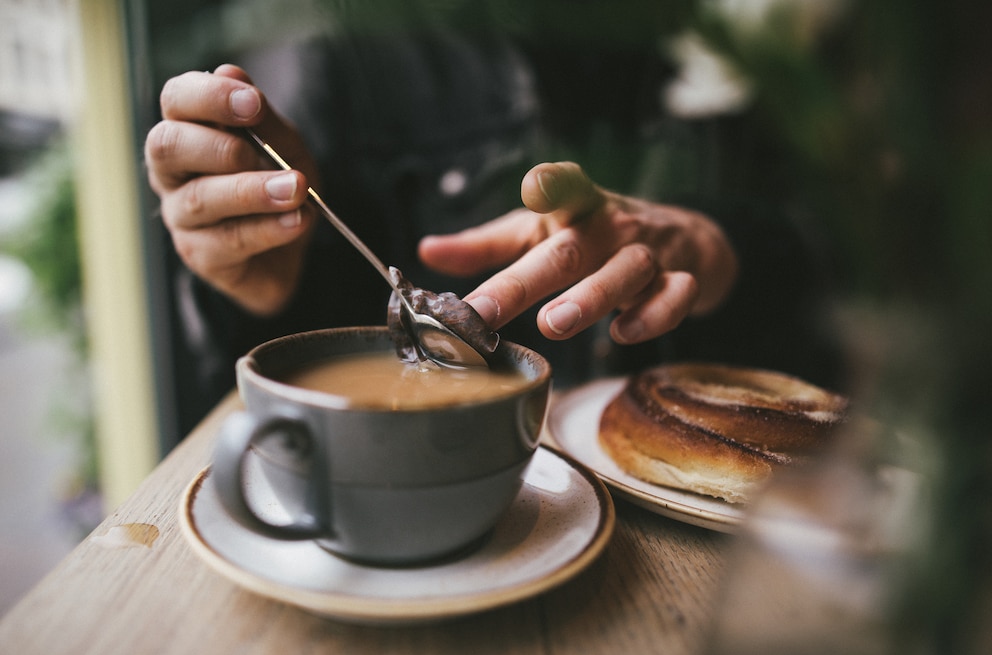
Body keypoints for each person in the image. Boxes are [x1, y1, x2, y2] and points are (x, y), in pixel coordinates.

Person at [145, 2, 841, 438]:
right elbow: (280, 401)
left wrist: (716, 247)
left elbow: (848, 262)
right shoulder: (327, 40)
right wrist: (253, 290)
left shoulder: (741, 31)